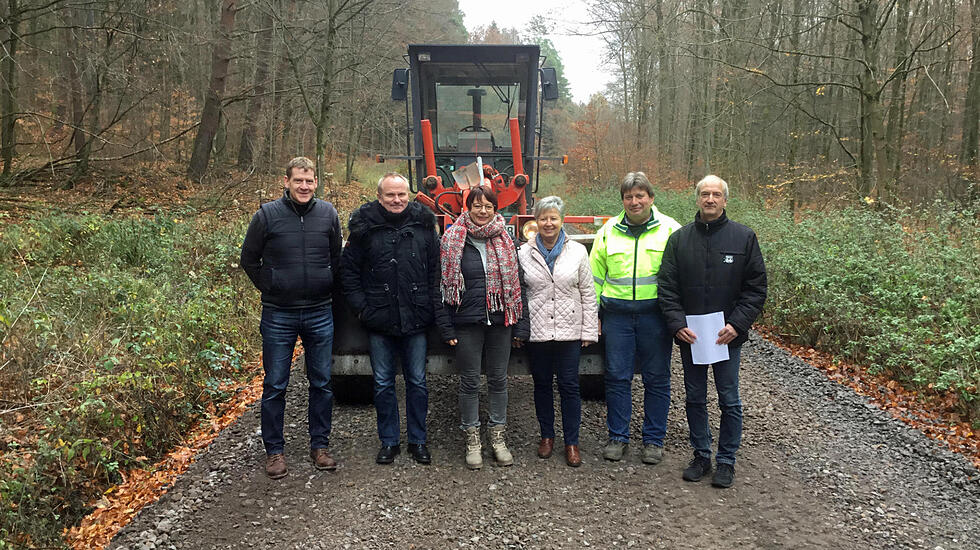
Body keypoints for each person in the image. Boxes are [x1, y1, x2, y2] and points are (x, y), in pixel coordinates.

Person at [658, 174, 767, 488]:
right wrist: (677, 323)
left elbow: (756, 288)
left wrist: (737, 324)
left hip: (726, 336)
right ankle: (701, 455)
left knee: (729, 399)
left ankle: (727, 461)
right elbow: (667, 287)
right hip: (691, 336)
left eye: (716, 194)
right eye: (704, 194)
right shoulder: (680, 239)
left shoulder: (743, 238)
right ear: (697, 199)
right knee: (694, 397)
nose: (710, 199)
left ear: (725, 200)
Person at [240, 156, 343, 479]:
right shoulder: (267, 215)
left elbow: (336, 257)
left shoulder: (328, 213)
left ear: (316, 182)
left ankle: (320, 446)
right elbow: (249, 258)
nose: (304, 186)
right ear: (286, 182)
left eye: (309, 181)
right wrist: (271, 286)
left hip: (319, 311)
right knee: (275, 384)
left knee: (322, 382)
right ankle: (274, 452)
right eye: (298, 180)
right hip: (279, 313)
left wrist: (325, 281)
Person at [340, 172, 450, 465]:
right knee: (383, 384)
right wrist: (363, 308)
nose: (396, 200)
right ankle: (389, 441)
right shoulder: (364, 229)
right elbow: (348, 272)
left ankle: (418, 440)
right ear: (379, 197)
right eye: (390, 195)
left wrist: (429, 306)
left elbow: (436, 271)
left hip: (416, 318)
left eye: (401, 194)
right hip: (379, 319)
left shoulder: (424, 226)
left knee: (417, 382)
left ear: (409, 195)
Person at [589, 171, 681, 464]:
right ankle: (618, 437)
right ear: (623, 200)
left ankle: (653, 441)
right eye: (629, 197)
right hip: (616, 318)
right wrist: (595, 316)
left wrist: (678, 317)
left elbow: (681, 277)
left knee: (657, 379)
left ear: (651, 198)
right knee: (617, 377)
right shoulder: (608, 230)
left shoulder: (670, 230)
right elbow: (594, 278)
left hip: (655, 317)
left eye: (640, 195)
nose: (634, 201)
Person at [438, 186, 529, 470]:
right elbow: (440, 287)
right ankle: (472, 440)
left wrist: (521, 326)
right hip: (467, 323)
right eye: (477, 205)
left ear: (495, 209)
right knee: (469, 382)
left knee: (499, 380)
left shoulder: (507, 240)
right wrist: (446, 328)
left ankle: (498, 438)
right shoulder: (452, 239)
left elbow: (519, 284)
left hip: (501, 321)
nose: (482, 210)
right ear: (467, 208)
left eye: (488, 206)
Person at [518, 196, 599, 467]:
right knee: (541, 385)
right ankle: (547, 436)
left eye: (553, 218)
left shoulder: (577, 252)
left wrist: (589, 330)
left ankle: (571, 442)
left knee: (569, 386)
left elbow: (588, 293)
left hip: (569, 332)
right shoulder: (523, 253)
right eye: (543, 218)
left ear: (562, 220)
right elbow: (518, 294)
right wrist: (520, 330)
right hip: (538, 332)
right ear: (536, 222)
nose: (548, 223)